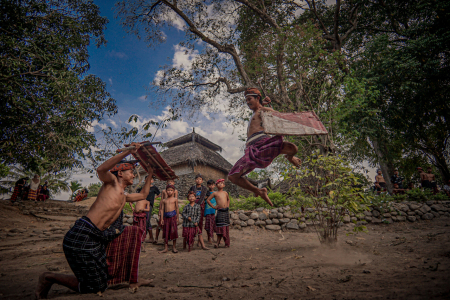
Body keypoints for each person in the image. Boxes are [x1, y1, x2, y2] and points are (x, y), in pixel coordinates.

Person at [35, 142, 153, 299]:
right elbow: (101, 169)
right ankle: (49, 277)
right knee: (92, 286)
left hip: (96, 238)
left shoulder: (124, 197)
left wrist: (150, 174)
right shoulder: (110, 183)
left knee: (100, 283)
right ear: (120, 173)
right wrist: (129, 152)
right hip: (83, 234)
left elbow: (144, 195)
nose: (133, 175)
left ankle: (60, 278)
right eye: (131, 172)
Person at [228, 88, 301, 206]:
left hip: (264, 143)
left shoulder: (264, 110)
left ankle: (289, 157)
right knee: (232, 177)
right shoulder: (254, 113)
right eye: (246, 100)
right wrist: (262, 105)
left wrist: (267, 106)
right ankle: (259, 191)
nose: (247, 102)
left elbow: (277, 117)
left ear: (257, 98)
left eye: (249, 99)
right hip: (251, 149)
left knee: (293, 148)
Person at [206, 179, 231, 248]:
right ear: (216, 185)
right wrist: (213, 206)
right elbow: (208, 200)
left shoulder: (225, 193)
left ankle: (226, 243)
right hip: (219, 211)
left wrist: (228, 206)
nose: (220, 184)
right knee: (219, 227)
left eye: (222, 183)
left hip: (225, 211)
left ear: (224, 185)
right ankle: (217, 243)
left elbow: (228, 199)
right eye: (218, 183)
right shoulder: (215, 193)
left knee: (225, 227)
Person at [154, 179, 177, 244]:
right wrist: (159, 209)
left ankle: (168, 239)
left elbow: (176, 201)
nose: (170, 182)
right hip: (164, 209)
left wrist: (175, 212)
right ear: (166, 182)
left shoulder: (175, 191)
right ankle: (156, 238)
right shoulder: (164, 191)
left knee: (171, 225)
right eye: (169, 181)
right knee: (160, 224)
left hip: (172, 211)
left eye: (172, 181)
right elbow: (161, 200)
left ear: (174, 183)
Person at [159, 185, 179, 253]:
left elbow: (177, 208)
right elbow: (162, 209)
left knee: (174, 231)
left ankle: (174, 247)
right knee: (166, 232)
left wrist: (177, 218)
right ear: (166, 191)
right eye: (168, 190)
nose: (169, 192)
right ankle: (166, 248)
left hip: (173, 217)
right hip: (166, 217)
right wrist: (161, 219)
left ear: (173, 191)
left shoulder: (175, 199)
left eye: (171, 190)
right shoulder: (164, 200)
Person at [189, 174, 208, 246]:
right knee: (193, 221)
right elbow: (189, 195)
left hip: (201, 206)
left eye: (200, 179)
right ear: (195, 180)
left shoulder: (204, 189)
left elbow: (206, 196)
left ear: (202, 181)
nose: (198, 180)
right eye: (197, 179)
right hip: (193, 206)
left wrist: (199, 203)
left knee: (200, 222)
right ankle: (192, 238)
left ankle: (199, 240)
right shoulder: (192, 188)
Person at [142, 176, 160, 243]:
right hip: (142, 205)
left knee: (147, 219)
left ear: (152, 181)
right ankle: (150, 237)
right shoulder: (143, 188)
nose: (149, 180)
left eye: (150, 179)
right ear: (145, 180)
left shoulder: (154, 188)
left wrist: (154, 198)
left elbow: (159, 194)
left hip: (149, 205)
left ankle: (146, 236)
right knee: (145, 219)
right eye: (147, 179)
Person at [204, 180, 217, 244]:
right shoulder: (206, 193)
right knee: (208, 225)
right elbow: (203, 200)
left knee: (213, 225)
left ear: (214, 185)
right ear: (207, 186)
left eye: (212, 185)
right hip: (207, 211)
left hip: (213, 211)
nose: (211, 186)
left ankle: (213, 237)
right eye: (209, 185)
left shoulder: (216, 193)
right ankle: (209, 238)